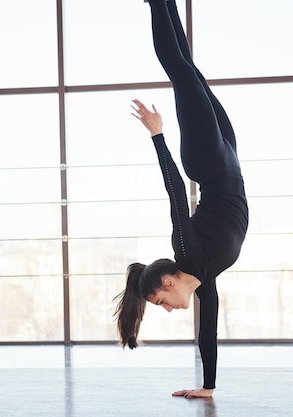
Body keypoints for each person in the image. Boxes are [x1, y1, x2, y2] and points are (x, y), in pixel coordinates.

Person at [114, 0, 249, 399]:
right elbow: (209, 333)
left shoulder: (187, 252)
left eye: (161, 301)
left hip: (207, 160)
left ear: (169, 280)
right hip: (229, 157)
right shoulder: (205, 281)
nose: (169, 308)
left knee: (181, 73)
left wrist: (157, 136)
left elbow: (176, 195)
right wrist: (207, 387)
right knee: (192, 72)